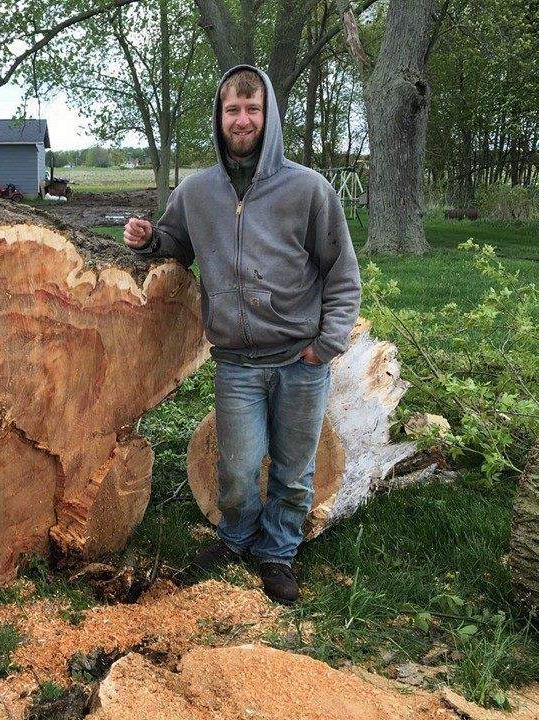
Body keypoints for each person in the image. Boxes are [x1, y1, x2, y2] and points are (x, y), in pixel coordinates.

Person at [123, 65, 361, 605]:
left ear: (269, 115)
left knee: (295, 469)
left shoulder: (308, 190)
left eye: (253, 109)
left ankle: (277, 554)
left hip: (300, 361)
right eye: (233, 109)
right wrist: (147, 239)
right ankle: (236, 539)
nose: (243, 119)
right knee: (236, 465)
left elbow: (342, 272)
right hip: (235, 361)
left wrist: (326, 343)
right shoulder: (197, 192)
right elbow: (176, 244)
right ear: (220, 116)